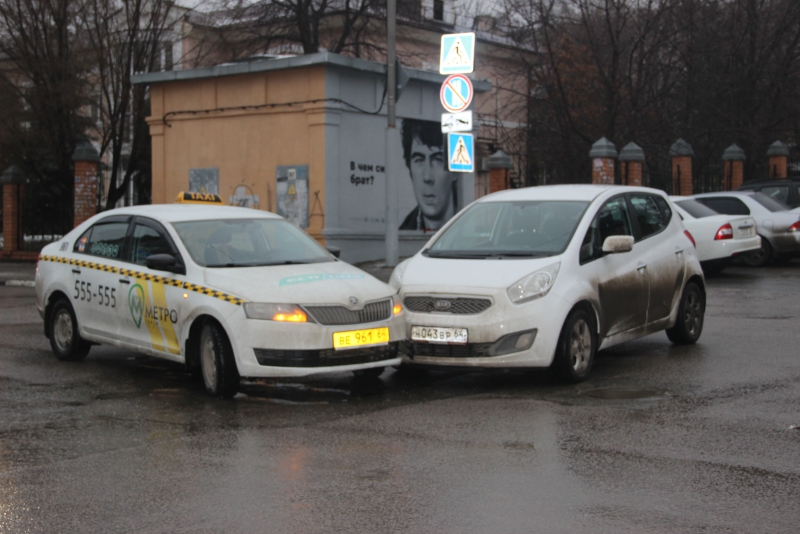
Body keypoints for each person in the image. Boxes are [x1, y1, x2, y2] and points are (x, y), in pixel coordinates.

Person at [400, 119, 457, 231]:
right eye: (419, 160)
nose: (427, 177)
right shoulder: (404, 231)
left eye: (437, 160)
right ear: (410, 169)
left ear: (455, 172)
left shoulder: (469, 223)